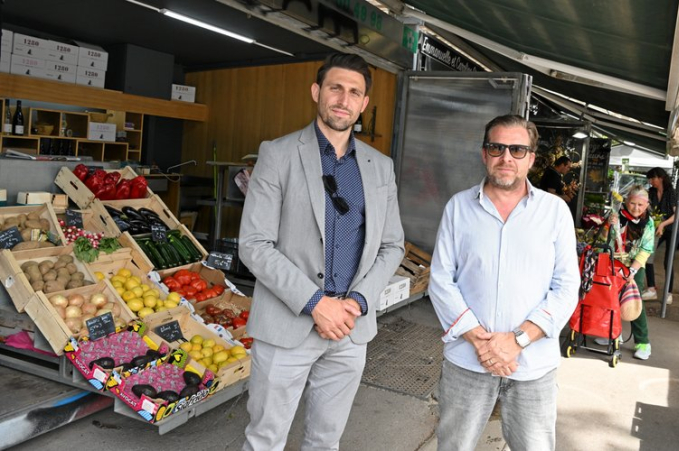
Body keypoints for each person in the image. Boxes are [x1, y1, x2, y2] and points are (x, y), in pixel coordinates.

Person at [238, 53, 405, 451]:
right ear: (317, 92)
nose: (343, 99)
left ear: (364, 104)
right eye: (335, 88)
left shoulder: (380, 167)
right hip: (286, 325)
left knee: (325, 442)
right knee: (265, 440)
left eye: (354, 92)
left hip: (350, 329)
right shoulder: (278, 154)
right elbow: (254, 244)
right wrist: (316, 303)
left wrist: (359, 302)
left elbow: (391, 244)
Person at [429, 114, 580, 450]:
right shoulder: (458, 207)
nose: (506, 157)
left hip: (533, 367)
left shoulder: (554, 212)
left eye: (517, 149)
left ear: (531, 158)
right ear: (485, 154)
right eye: (497, 148)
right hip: (467, 362)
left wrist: (517, 340)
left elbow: (567, 286)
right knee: (453, 446)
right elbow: (440, 279)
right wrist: (482, 343)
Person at [593, 186, 655, 360]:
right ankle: (613, 334)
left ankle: (643, 342)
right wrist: (608, 225)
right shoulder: (617, 215)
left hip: (635, 265)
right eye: (632, 203)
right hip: (614, 262)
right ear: (626, 202)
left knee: (634, 302)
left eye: (640, 205)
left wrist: (633, 270)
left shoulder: (648, 223)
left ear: (647, 205)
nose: (636, 208)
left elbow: (645, 249)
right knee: (610, 299)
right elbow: (606, 238)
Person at [643, 167, 677, 304]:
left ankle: (669, 293)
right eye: (650, 179)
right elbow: (648, 208)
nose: (651, 181)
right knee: (647, 256)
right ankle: (651, 289)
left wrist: (663, 224)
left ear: (661, 178)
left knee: (668, 261)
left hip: (670, 228)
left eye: (653, 178)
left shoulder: (671, 192)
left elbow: (678, 214)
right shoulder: (651, 192)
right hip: (655, 228)